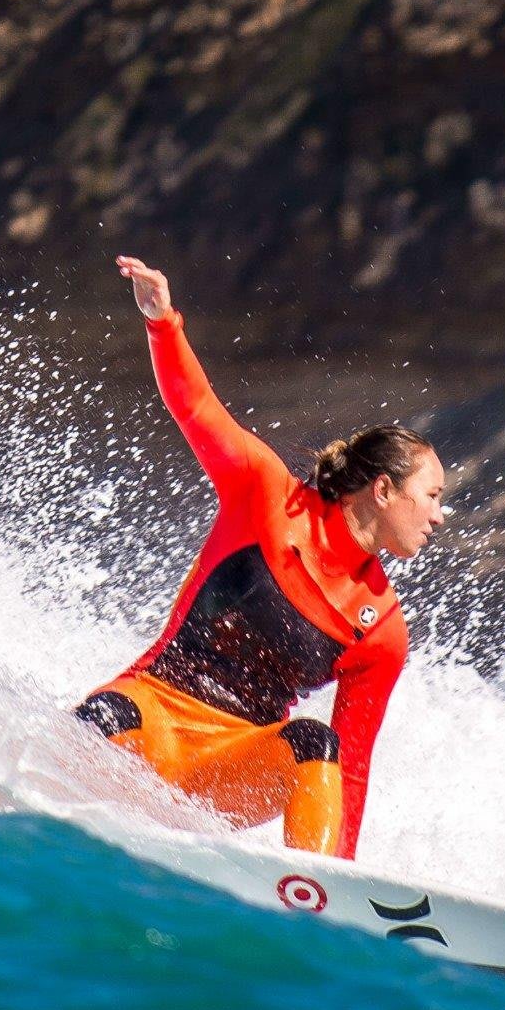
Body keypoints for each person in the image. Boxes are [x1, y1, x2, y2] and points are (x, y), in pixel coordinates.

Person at [72, 255, 444, 860]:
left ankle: (315, 897)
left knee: (315, 744)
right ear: (383, 491)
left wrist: (340, 883)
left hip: (231, 771)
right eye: (431, 496)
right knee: (107, 713)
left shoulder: (383, 632)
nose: (439, 515)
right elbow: (197, 410)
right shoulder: (266, 493)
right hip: (153, 719)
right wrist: (164, 323)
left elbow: (347, 773)